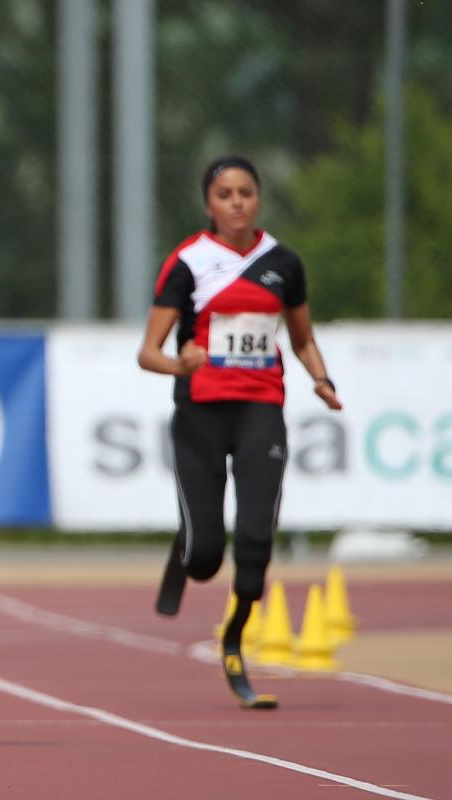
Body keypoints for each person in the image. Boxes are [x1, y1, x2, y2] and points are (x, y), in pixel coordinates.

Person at [137, 155, 342, 708]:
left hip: (260, 410)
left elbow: (300, 338)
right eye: (224, 194)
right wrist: (180, 362)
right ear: (209, 204)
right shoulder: (187, 262)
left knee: (255, 539)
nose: (236, 202)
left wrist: (320, 379)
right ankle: (188, 545)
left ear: (257, 200)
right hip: (201, 413)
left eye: (245, 193)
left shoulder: (283, 262)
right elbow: (148, 353)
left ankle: (233, 639)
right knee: (206, 556)